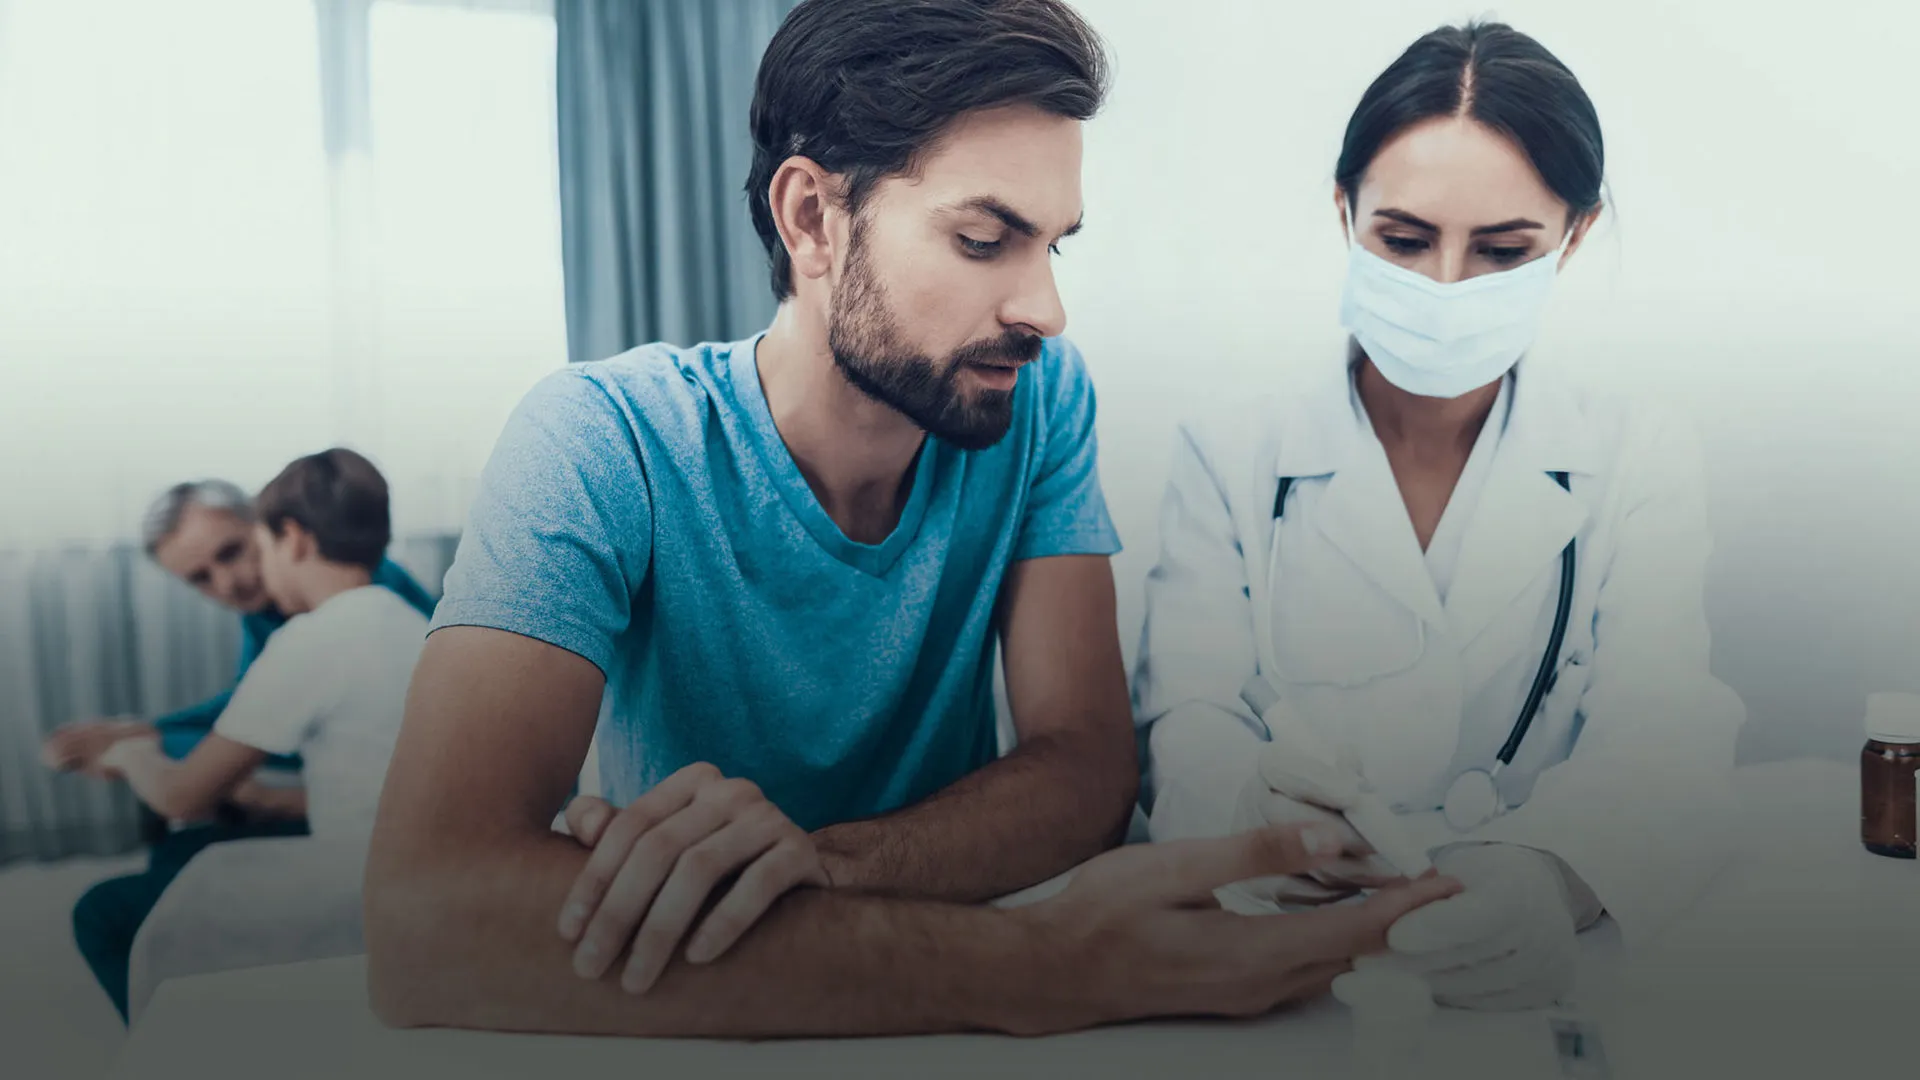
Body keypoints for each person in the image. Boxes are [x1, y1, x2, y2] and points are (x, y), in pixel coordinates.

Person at [364, 0, 1460, 1037]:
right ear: (812, 219)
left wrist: (816, 866)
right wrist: (1042, 966)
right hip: (694, 1031)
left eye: (1054, 244)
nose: (1045, 309)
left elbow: (1085, 768)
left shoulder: (1039, 399)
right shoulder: (601, 441)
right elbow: (428, 914)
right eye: (985, 240)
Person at [1133, 22, 1747, 1011]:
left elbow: (1668, 735)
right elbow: (1187, 724)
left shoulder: (1638, 455)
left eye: (1504, 250)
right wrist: (1250, 819)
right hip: (1283, 965)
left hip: (1530, 977)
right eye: (1404, 240)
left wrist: (1558, 874)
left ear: (1574, 239)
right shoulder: (1232, 451)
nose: (1445, 289)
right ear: (1345, 214)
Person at [75, 448, 427, 1021]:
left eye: (248, 550)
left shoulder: (307, 637)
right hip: (403, 850)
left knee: (101, 913)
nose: (235, 582)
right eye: (201, 579)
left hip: (358, 875)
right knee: (182, 859)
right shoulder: (407, 621)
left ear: (290, 538)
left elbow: (180, 794)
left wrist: (132, 748)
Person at [41, 477, 434, 789]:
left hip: (408, 758)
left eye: (231, 552)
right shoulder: (263, 612)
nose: (228, 584)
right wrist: (144, 729)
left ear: (268, 526)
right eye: (201, 578)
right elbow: (251, 699)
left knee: (172, 754)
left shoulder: (356, 584)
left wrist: (142, 741)